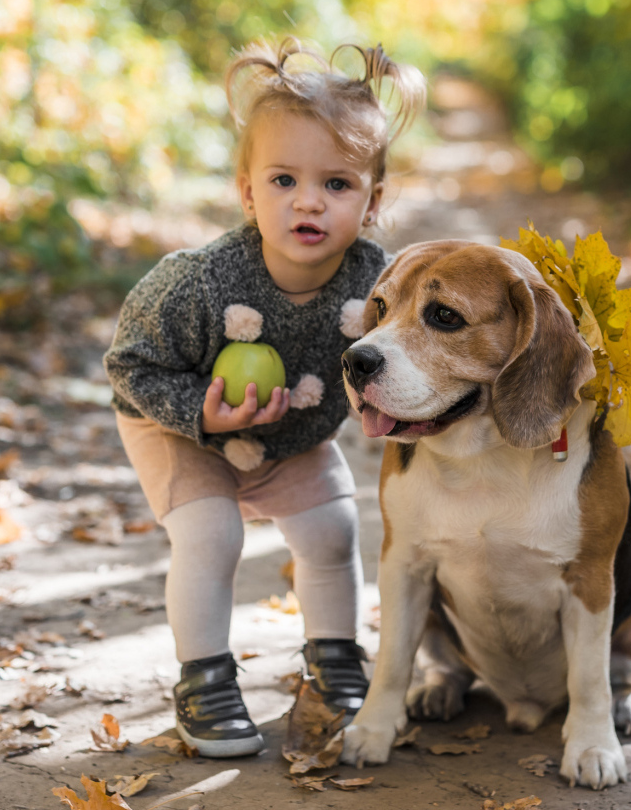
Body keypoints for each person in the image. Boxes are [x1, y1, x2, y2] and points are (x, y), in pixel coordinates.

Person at [104, 38, 425, 757]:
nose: (309, 200)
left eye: (337, 185)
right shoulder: (200, 282)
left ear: (372, 202)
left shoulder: (378, 281)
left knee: (332, 531)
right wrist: (200, 414)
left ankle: (335, 660)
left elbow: (403, 354)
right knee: (212, 533)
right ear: (249, 192)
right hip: (177, 422)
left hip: (290, 433)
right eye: (284, 180)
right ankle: (205, 678)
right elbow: (128, 365)